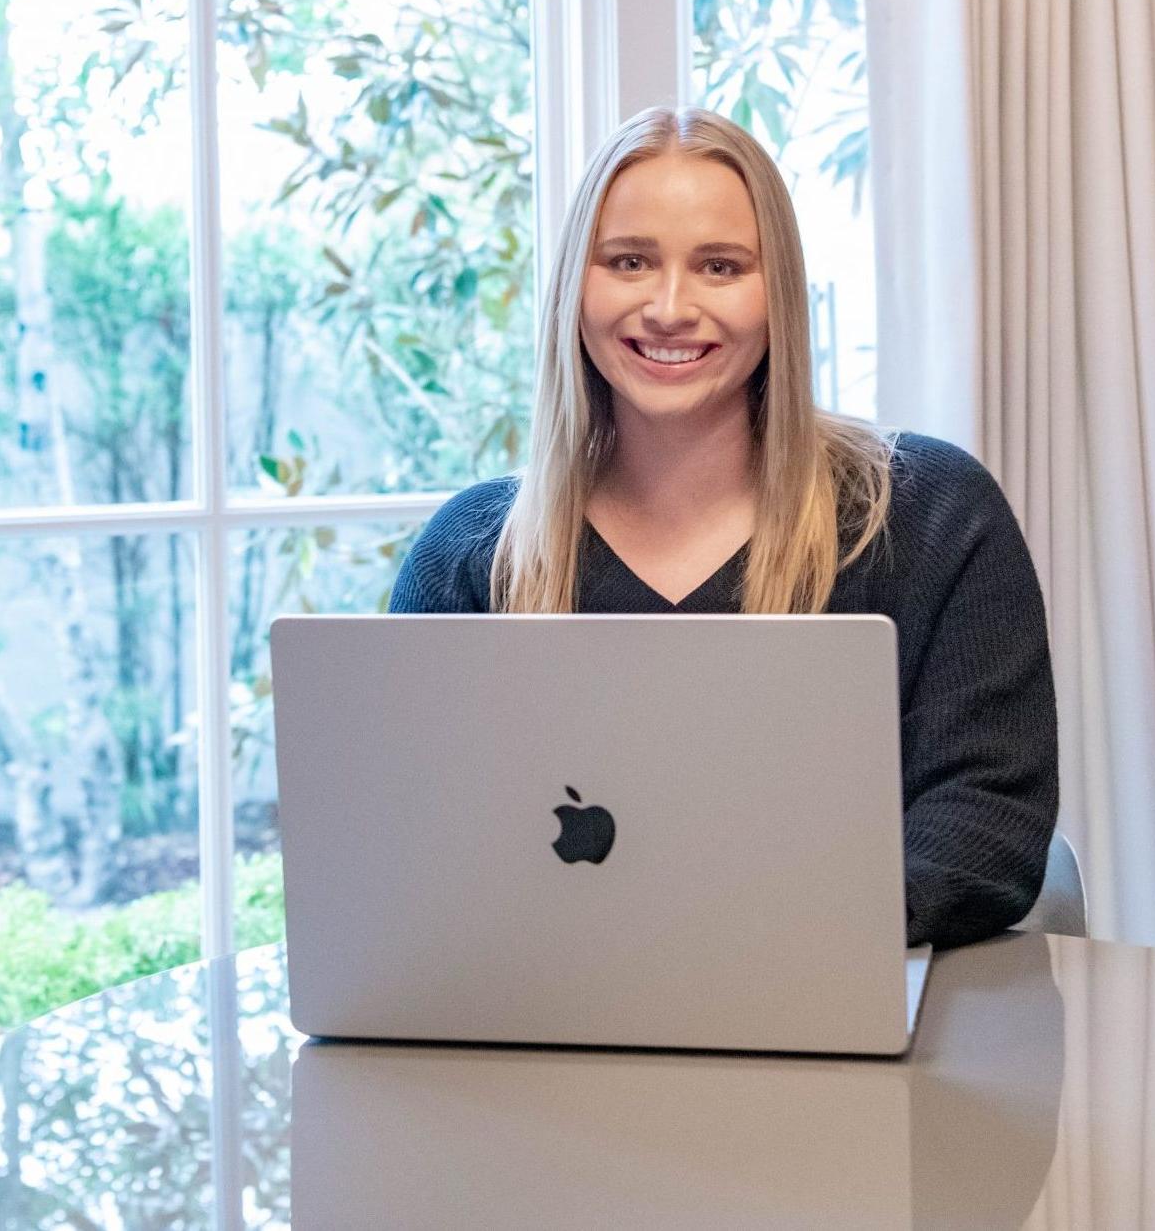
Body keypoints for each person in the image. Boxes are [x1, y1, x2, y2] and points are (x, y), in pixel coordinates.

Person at [388, 106, 1057, 949]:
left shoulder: (929, 512)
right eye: (629, 261)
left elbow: (986, 820)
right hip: (539, 1021)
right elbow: (405, 841)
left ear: (776, 293)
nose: (670, 307)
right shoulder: (469, 556)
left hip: (843, 1017)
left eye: (720, 266)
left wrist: (747, 943)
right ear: (575, 287)